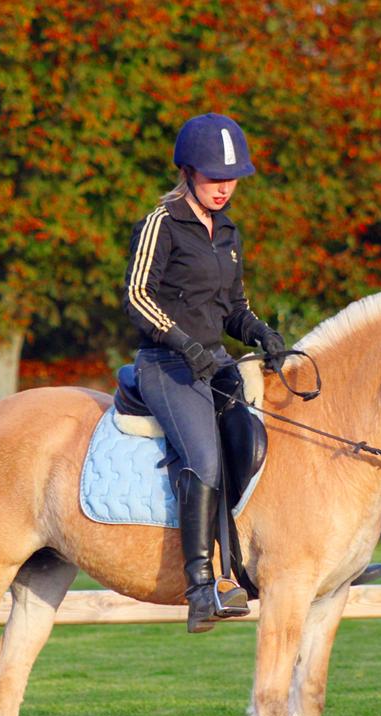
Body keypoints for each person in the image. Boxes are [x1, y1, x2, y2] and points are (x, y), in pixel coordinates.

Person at [124, 113, 287, 633]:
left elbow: (233, 306)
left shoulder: (229, 232)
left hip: (213, 363)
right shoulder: (162, 222)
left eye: (231, 177)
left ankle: (248, 566)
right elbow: (136, 296)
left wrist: (260, 330)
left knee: (256, 445)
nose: (224, 188)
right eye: (215, 177)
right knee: (204, 459)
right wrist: (181, 342)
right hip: (166, 365)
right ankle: (200, 586)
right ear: (189, 172)